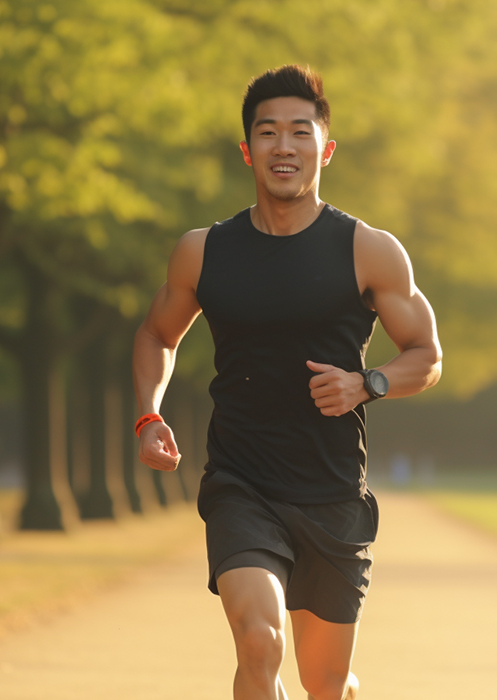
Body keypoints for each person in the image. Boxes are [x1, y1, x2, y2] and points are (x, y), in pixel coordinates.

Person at [132, 64, 441, 700]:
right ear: (248, 150)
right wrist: (148, 413)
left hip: (331, 491)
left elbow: (426, 354)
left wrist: (368, 383)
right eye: (268, 132)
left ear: (324, 149)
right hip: (241, 484)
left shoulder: (370, 250)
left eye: (300, 132)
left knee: (324, 683)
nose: (284, 146)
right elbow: (157, 334)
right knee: (260, 641)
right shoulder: (203, 252)